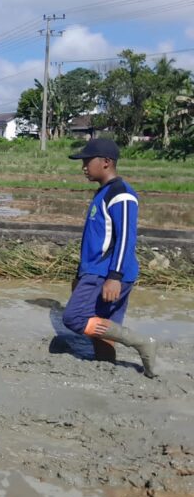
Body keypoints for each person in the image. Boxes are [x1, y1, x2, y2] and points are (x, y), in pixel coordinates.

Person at [62, 138, 156, 378]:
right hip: (95, 271)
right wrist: (79, 273)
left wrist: (114, 276)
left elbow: (126, 237)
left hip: (107, 273)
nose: (83, 166)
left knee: (74, 317)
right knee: (102, 329)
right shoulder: (103, 192)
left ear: (106, 162)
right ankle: (106, 374)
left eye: (87, 161)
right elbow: (94, 240)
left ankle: (140, 342)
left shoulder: (121, 194)